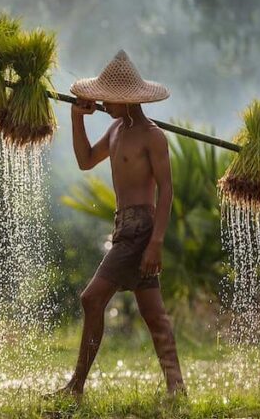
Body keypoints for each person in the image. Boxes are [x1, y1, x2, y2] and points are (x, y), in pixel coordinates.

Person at [50, 50, 186, 399]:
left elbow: (167, 190)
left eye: (109, 98)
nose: (103, 102)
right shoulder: (115, 130)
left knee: (91, 299)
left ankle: (76, 388)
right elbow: (84, 161)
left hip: (141, 228)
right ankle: (177, 390)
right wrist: (76, 117)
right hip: (124, 226)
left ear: (127, 101)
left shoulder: (152, 136)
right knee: (154, 314)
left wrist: (155, 242)